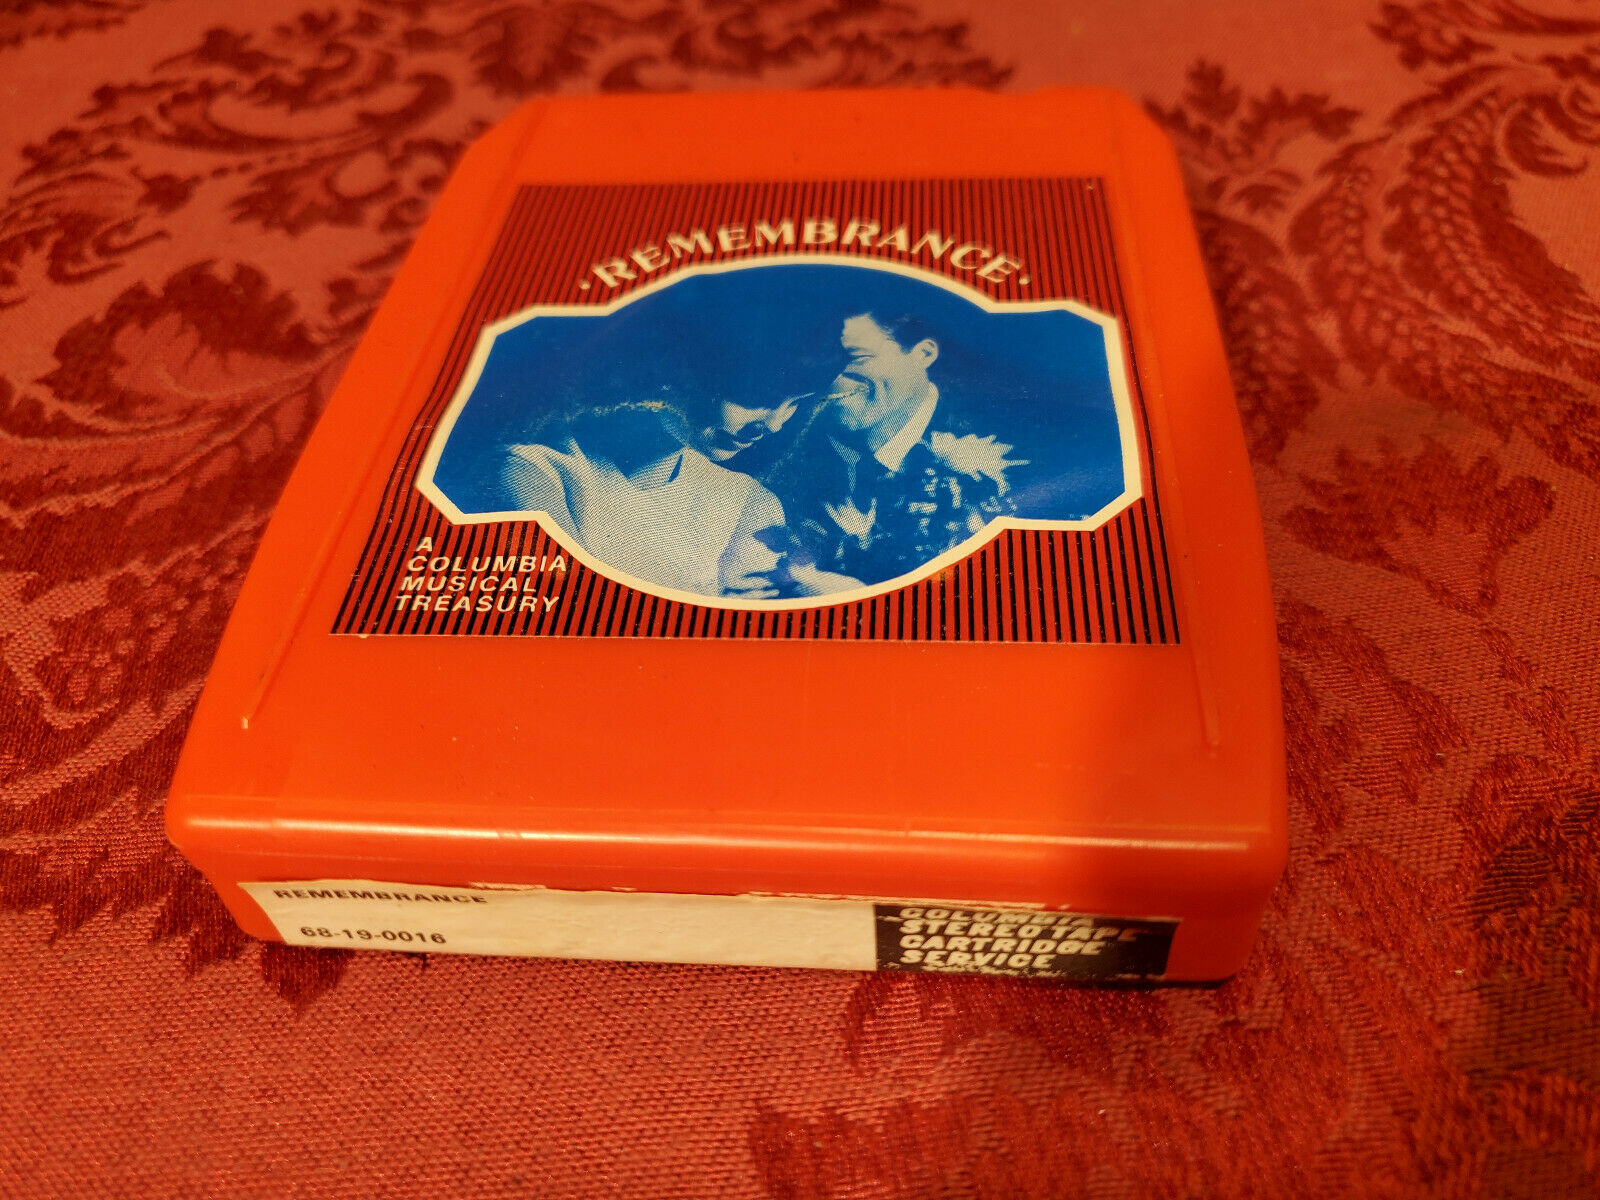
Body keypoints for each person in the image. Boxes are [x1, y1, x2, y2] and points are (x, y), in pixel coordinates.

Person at [771, 311, 1025, 588]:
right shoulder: (777, 442)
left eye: (856, 358)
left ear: (923, 354)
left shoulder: (1013, 453)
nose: (831, 380)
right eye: (822, 360)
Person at [501, 395, 792, 600]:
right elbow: (573, 612)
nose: (774, 424)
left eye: (795, 402)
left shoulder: (749, 501)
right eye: (759, 395)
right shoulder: (538, 469)